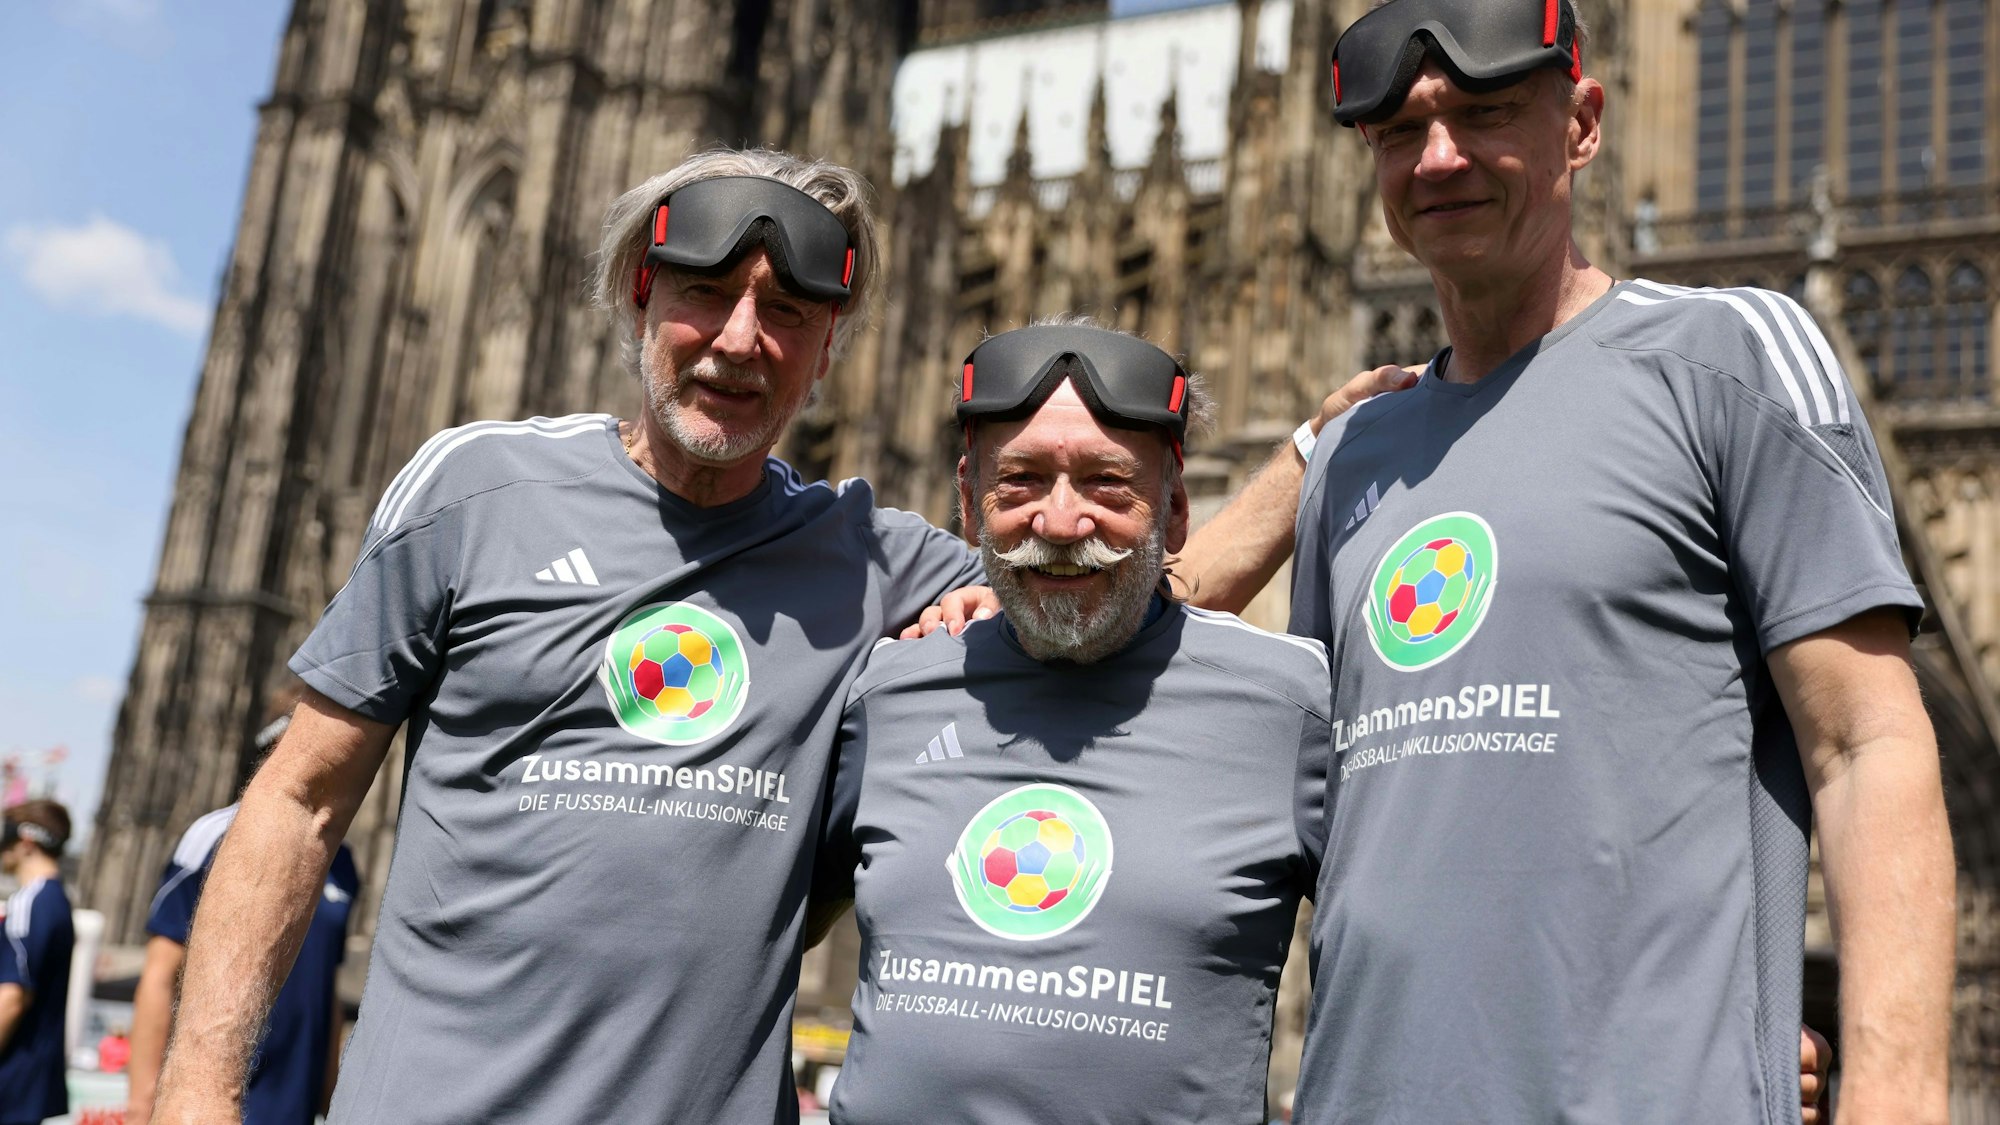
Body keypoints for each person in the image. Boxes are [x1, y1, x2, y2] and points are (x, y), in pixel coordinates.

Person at [151, 149, 988, 1125]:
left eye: (788, 314)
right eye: (705, 295)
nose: (739, 339)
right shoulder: (475, 488)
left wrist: (999, 615)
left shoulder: (877, 560)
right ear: (639, 296)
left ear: (830, 348)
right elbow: (296, 803)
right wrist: (196, 1097)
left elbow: (1121, 604)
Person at [1258, 0, 1951, 1118]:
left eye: (1483, 112)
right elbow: (1309, 818)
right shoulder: (1347, 460)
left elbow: (1865, 742)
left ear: (1581, 124)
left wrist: (1894, 1093)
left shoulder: (1730, 356)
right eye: (1399, 130)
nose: (1437, 157)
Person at [812, 321, 1337, 1123]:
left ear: (1177, 511)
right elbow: (748, 936)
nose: (1061, 524)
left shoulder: (1290, 707)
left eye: (1107, 484)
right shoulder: (885, 693)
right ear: (966, 500)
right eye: (1019, 479)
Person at [126, 703, 360, 1125]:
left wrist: (332, 1099)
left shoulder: (341, 862)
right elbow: (159, 976)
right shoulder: (213, 836)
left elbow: (327, 988)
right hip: (214, 1105)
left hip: (295, 1104)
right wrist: (144, 1102)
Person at [0, 800, 75, 1125]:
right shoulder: (57, 902)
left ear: (27, 841)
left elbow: (12, 997)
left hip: (11, 1082)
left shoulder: (30, 903)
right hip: (28, 1085)